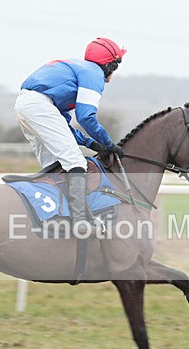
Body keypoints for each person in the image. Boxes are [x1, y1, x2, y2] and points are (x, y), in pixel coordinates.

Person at [14, 37, 126, 237]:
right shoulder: (94, 74)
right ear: (110, 65)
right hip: (38, 106)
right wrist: (107, 143)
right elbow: (86, 117)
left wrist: (91, 143)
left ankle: (56, 216)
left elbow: (64, 126)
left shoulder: (78, 69)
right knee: (75, 162)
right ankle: (80, 220)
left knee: (56, 165)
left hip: (26, 105)